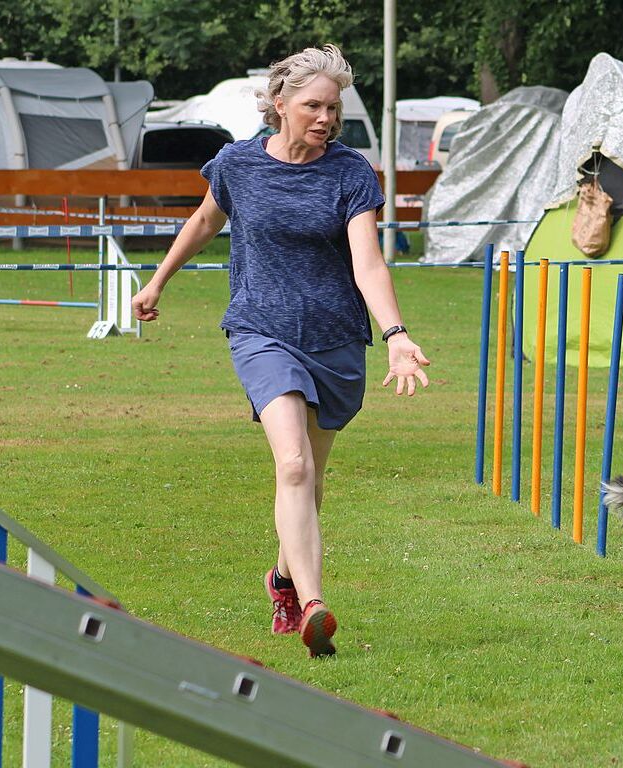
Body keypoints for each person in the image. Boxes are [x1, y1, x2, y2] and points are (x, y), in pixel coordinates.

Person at [131, 45, 430, 658]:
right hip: (261, 330)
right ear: (279, 104)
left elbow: (366, 261)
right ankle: (315, 605)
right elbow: (205, 221)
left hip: (336, 337)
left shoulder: (350, 172)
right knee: (291, 464)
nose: (325, 117)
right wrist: (158, 280)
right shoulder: (237, 164)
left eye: (333, 107)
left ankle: (285, 580)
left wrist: (396, 336)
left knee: (311, 480)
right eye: (312, 105)